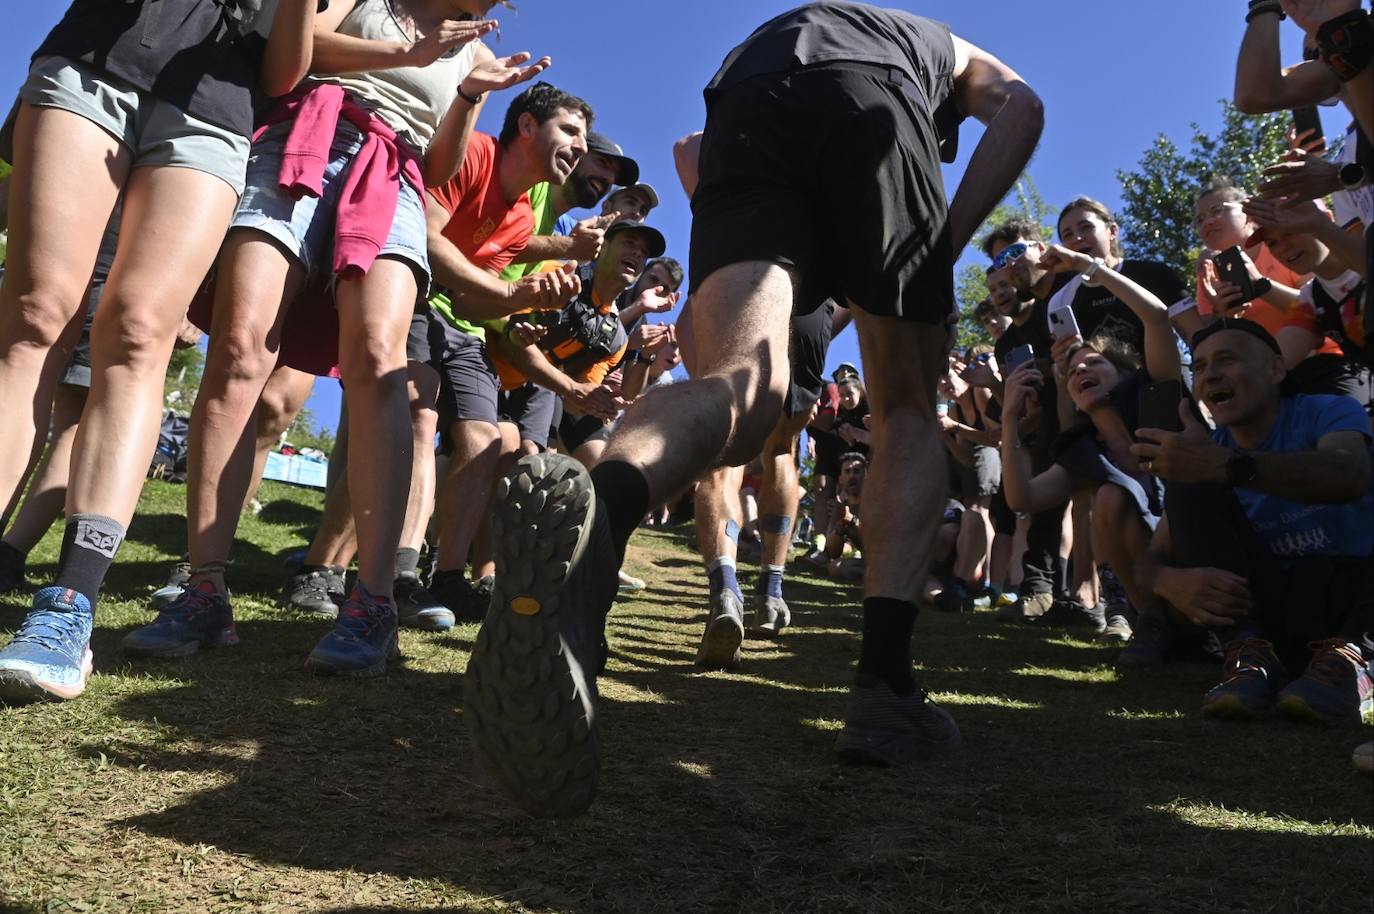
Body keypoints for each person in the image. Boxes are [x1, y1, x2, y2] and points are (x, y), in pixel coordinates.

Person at [461, 1, 1044, 817]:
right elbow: (1024, 105)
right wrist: (942, 244)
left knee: (740, 387)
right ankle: (884, 690)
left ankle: (601, 517)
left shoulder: (804, 28)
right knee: (907, 408)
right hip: (875, 96)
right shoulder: (934, 48)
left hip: (744, 94)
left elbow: (692, 150)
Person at [121, 1, 550, 677]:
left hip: (395, 177)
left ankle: (374, 604)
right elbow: (293, 57)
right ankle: (204, 585)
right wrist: (410, 54)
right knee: (240, 349)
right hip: (302, 136)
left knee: (382, 365)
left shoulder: (472, 48)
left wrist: (468, 92)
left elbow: (439, 169)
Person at [0, 0, 322, 703]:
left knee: (140, 332)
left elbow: (284, 70)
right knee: (35, 316)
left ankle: (69, 605)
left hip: (214, 114)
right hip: (93, 68)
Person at [1130, 319, 1372, 725]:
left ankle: (1351, 660)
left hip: (1353, 597)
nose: (1211, 375)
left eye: (1227, 360)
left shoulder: (1329, 410)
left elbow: (1349, 474)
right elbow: (1148, 561)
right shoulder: (1207, 451)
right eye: (1201, 366)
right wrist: (1169, 582)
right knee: (1188, 483)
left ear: (1276, 370)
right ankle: (1250, 659)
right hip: (1275, 609)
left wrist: (1232, 467)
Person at [999, 244, 1184, 642]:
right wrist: (1010, 419)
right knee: (1109, 498)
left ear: (1123, 372)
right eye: (1073, 370)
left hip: (1203, 569)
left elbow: (1155, 316)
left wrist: (1090, 268)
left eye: (1094, 363)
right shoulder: (1086, 452)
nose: (1081, 369)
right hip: (1160, 601)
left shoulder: (1159, 404)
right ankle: (1150, 621)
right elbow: (1022, 500)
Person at [982, 222, 1076, 624]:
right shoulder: (1006, 345)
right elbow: (1015, 408)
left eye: (1013, 255)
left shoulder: (1062, 295)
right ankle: (1038, 591)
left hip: (1090, 407)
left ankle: (1090, 594)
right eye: (999, 264)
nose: (1008, 269)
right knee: (1042, 507)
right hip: (1048, 422)